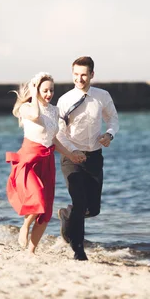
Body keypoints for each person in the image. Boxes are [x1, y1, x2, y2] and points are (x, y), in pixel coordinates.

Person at [5, 72, 86, 254]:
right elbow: (35, 115)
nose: (49, 94)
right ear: (36, 89)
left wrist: (71, 154)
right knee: (38, 197)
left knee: (46, 212)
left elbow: (53, 139)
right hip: (29, 159)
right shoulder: (27, 108)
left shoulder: (54, 110)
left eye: (51, 90)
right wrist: (34, 94)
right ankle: (25, 224)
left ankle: (31, 251)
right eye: (45, 90)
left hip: (47, 161)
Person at [56, 56, 119, 261]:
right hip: (71, 157)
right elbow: (59, 132)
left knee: (93, 209)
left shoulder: (102, 96)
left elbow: (113, 119)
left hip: (94, 157)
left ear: (92, 74)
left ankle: (67, 215)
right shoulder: (65, 100)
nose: (79, 79)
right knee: (80, 201)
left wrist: (109, 134)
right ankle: (78, 250)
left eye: (83, 75)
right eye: (76, 75)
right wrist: (73, 151)